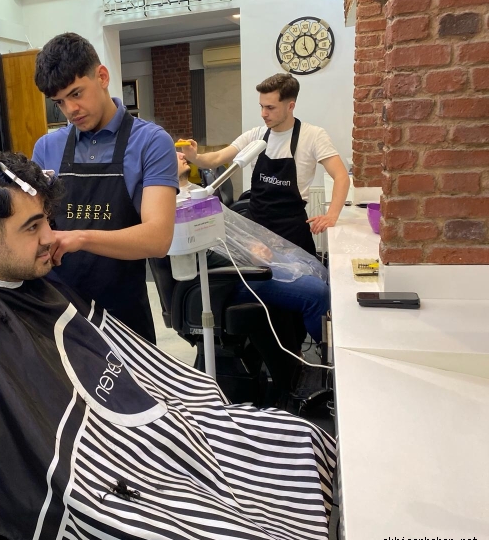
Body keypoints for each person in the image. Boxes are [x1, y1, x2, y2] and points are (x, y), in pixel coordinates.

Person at [0, 152, 337, 540]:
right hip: (97, 486)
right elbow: (22, 455)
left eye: (46, 220)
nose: (50, 237)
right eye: (33, 227)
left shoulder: (35, 282)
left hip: (141, 434)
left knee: (297, 438)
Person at [32, 32, 178, 343]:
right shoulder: (46, 147)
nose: (70, 109)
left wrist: (81, 238)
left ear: (102, 76)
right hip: (60, 313)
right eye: (59, 102)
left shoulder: (151, 142)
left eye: (76, 94)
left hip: (123, 316)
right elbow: (35, 224)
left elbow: (158, 238)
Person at [180, 73, 350, 257]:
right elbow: (216, 158)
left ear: (290, 106)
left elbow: (341, 176)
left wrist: (332, 215)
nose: (263, 114)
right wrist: (194, 156)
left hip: (292, 230)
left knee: (306, 274)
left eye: (270, 107)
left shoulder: (313, 136)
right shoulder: (255, 135)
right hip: (256, 230)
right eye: (261, 106)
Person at [177, 152, 330, 343]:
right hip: (225, 281)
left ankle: (293, 351)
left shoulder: (194, 192)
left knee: (314, 267)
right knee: (317, 293)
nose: (181, 153)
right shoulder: (174, 205)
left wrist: (250, 245)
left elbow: (224, 234)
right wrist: (248, 256)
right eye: (172, 152)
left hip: (241, 264)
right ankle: (330, 355)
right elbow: (199, 255)